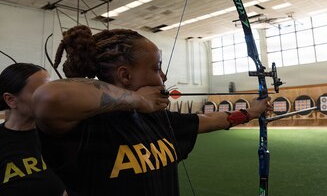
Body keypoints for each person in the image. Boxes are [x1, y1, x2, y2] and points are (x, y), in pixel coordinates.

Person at [33, 25, 271, 196]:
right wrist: (138, 100)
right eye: (157, 67)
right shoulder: (85, 127)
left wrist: (249, 113)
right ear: (125, 75)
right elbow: (49, 96)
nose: (163, 76)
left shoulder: (159, 119)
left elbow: (209, 118)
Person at [0, 63, 67, 196]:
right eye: (39, 92)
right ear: (11, 100)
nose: (50, 98)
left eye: (49, 91)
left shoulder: (59, 135)